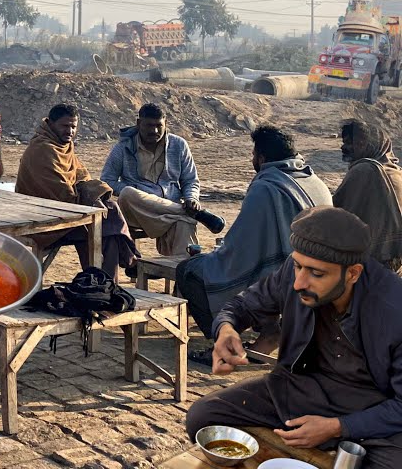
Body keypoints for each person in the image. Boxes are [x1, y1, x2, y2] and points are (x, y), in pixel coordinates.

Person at [187, 207, 402, 467]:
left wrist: (338, 427)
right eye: (298, 266)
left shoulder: (394, 308)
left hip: (371, 410)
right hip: (297, 388)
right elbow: (242, 306)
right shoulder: (296, 271)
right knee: (202, 417)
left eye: (316, 274)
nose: (299, 282)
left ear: (353, 273)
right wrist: (226, 329)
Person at [177, 125, 332, 349]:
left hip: (289, 276)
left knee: (190, 271)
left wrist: (213, 257)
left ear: (261, 157)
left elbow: (241, 249)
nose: (252, 159)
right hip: (323, 272)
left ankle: (247, 334)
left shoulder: (267, 188)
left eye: (253, 155)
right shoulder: (316, 181)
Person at [15, 103, 137, 276]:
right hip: (43, 220)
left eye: (73, 127)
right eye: (65, 126)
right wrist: (89, 193)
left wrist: (92, 192)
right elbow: (61, 194)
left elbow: (81, 176)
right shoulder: (42, 150)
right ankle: (113, 273)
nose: (70, 131)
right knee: (104, 222)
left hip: (70, 212)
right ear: (50, 124)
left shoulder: (64, 146)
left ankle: (105, 285)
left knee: (108, 226)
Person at [100, 103, 225, 256]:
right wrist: (137, 191)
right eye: (149, 125)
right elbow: (107, 180)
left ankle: (181, 273)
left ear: (166, 123)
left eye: (159, 125)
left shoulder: (179, 145)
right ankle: (193, 213)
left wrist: (191, 198)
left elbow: (190, 180)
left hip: (168, 211)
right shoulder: (123, 147)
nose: (154, 130)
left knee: (184, 223)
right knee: (127, 193)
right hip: (138, 210)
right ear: (139, 124)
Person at [334, 119, 402, 271]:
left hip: (369, 259)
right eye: (344, 142)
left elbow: (338, 211)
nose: (344, 147)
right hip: (394, 257)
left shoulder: (363, 170)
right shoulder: (396, 170)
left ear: (367, 145)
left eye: (351, 143)